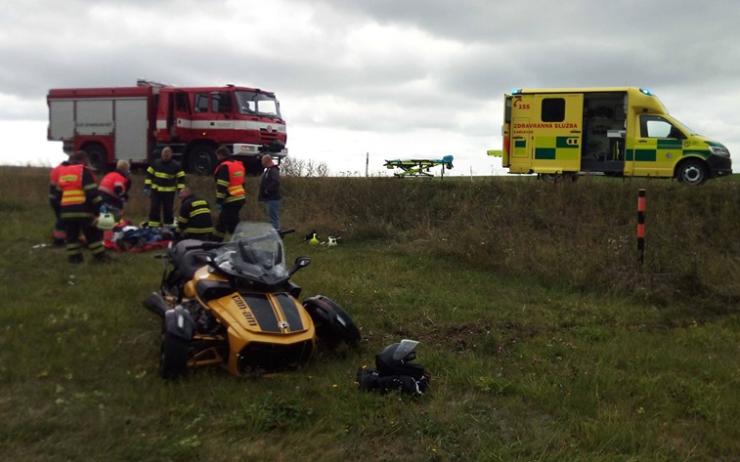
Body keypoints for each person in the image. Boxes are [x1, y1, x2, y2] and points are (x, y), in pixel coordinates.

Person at [52, 150, 109, 263]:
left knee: (72, 237)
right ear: (83, 160)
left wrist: (62, 212)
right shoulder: (83, 172)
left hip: (66, 212)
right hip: (83, 211)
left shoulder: (63, 173)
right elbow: (92, 194)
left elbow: (57, 195)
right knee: (92, 234)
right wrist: (101, 211)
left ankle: (74, 258)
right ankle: (100, 257)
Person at [145, 146, 185, 228]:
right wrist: (147, 187)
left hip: (169, 193)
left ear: (171, 155)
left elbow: (181, 179)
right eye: (164, 155)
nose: (165, 156)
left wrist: (180, 190)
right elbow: (149, 175)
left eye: (167, 155)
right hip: (156, 191)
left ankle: (168, 227)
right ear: (161, 154)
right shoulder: (156, 163)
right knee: (154, 208)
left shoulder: (176, 165)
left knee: (168, 210)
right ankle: (153, 226)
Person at [213, 146, 246, 241]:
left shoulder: (224, 166)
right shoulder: (238, 165)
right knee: (222, 223)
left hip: (230, 199)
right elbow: (243, 182)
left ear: (221, 155)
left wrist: (219, 200)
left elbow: (222, 185)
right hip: (240, 197)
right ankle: (215, 241)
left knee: (232, 223)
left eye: (217, 156)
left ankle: (241, 242)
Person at [49, 153, 70, 246]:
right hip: (60, 197)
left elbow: (52, 184)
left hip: (52, 197)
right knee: (62, 219)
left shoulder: (56, 169)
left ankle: (59, 237)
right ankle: (59, 240)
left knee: (60, 218)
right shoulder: (67, 170)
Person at [258, 154, 281, 230]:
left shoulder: (273, 170)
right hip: (269, 198)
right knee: (271, 218)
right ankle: (274, 234)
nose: (262, 163)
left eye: (262, 161)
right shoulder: (268, 170)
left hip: (273, 198)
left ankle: (276, 234)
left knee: (274, 218)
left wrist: (267, 190)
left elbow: (276, 182)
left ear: (266, 161)